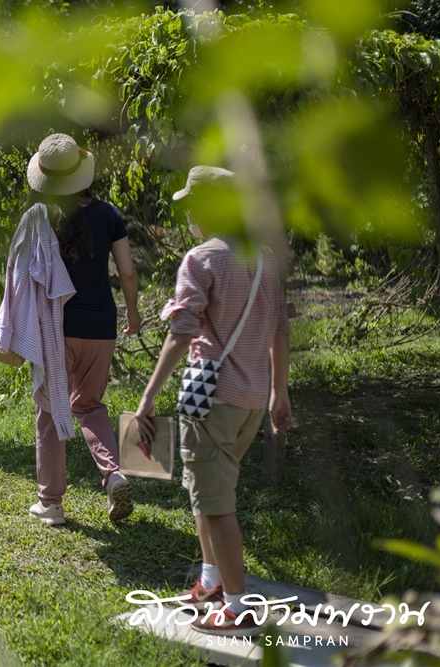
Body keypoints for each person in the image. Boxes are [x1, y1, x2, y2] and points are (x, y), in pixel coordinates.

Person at [133, 165, 292, 636]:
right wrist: (279, 393)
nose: (188, 219)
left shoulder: (200, 259)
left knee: (216, 503)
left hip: (211, 397)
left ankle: (237, 606)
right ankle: (209, 580)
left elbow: (182, 333)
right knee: (208, 492)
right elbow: (280, 328)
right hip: (249, 399)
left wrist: (147, 397)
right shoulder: (263, 257)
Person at [0, 132, 140, 526]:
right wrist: (133, 312)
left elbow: (22, 277)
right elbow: (126, 270)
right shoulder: (108, 214)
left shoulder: (41, 220)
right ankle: (114, 475)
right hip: (101, 327)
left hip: (55, 329)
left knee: (49, 408)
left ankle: (52, 503)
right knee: (90, 406)